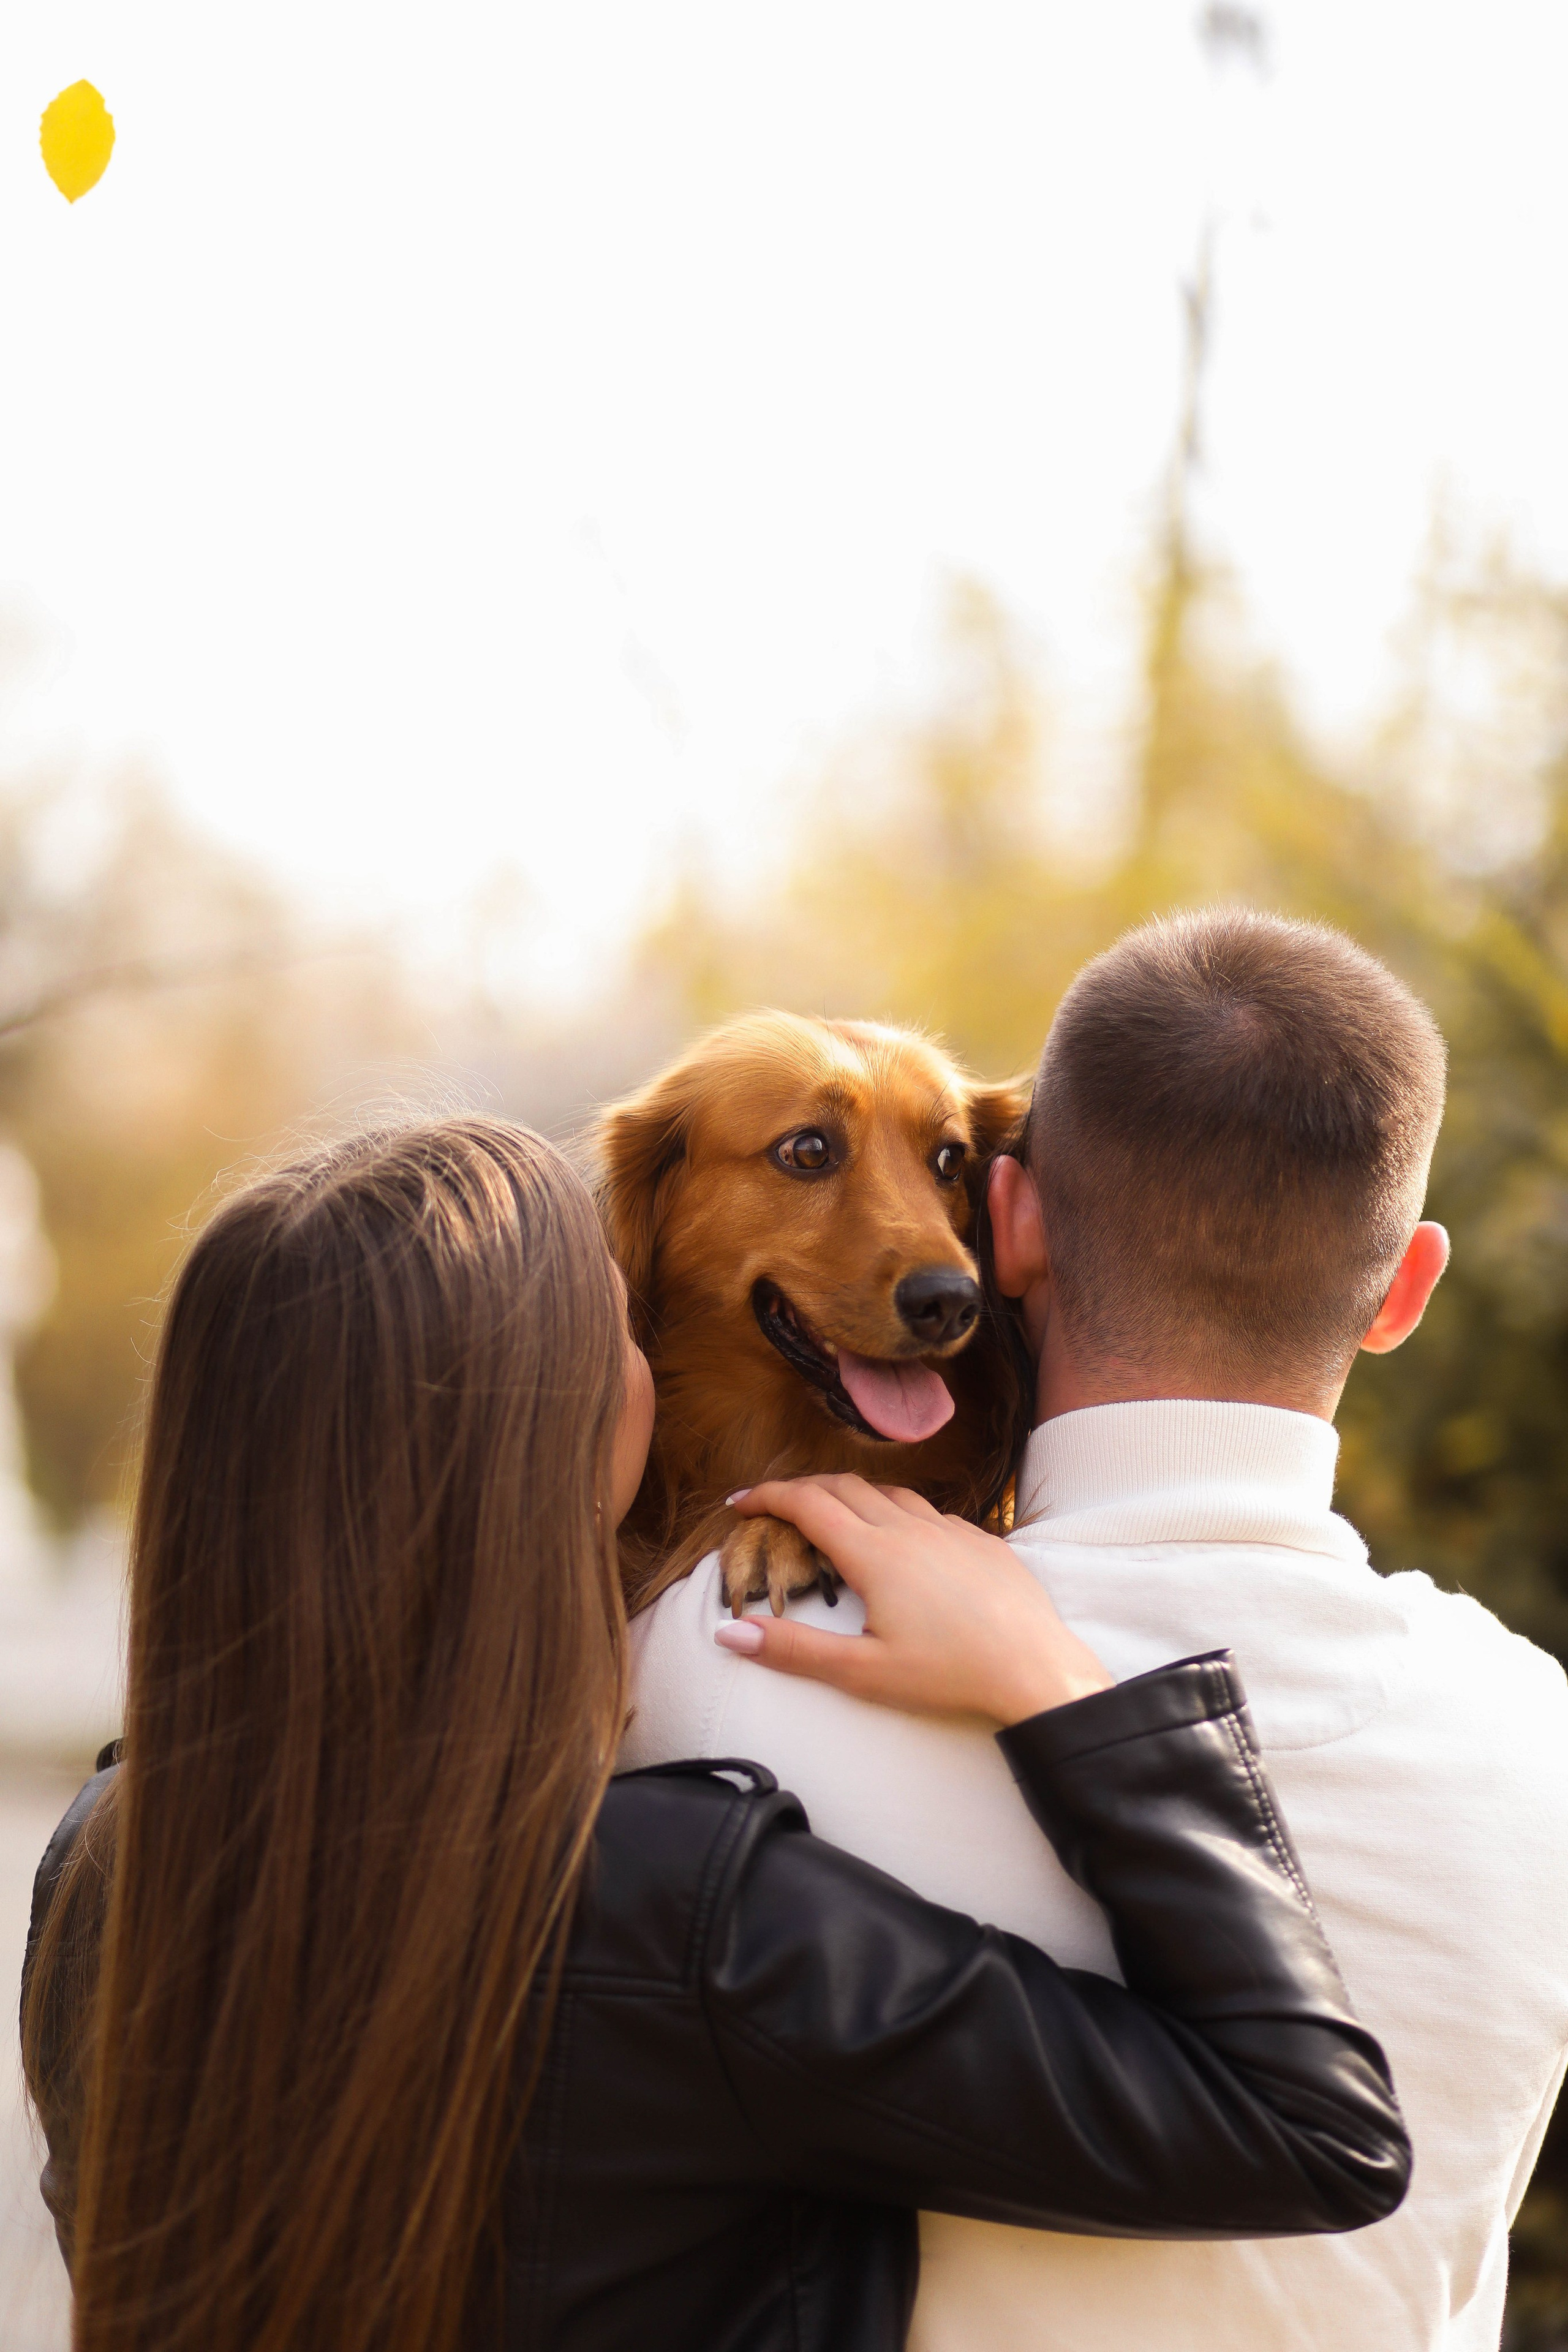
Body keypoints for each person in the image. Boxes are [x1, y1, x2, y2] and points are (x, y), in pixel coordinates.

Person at [20, 1117, 1408, 2352]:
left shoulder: (100, 1868)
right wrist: (1058, 1685)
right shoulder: (678, 1915)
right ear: (543, 1431)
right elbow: (1307, 2127)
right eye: (621, 1334)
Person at [624, 909, 1568, 2352]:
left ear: (1002, 1220)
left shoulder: (720, 1667)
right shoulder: (1537, 1734)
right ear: (1403, 1288)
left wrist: (1051, 1684)